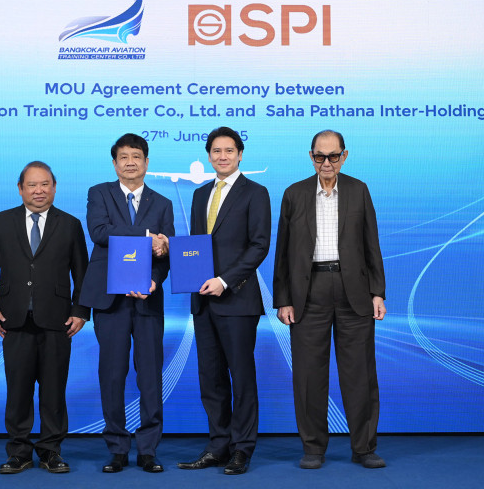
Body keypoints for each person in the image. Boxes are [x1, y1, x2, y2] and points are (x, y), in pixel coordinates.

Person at [273, 130, 387, 469]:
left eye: (333, 156)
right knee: (309, 375)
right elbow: (282, 253)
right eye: (320, 156)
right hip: (308, 293)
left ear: (344, 156)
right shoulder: (293, 194)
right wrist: (283, 299)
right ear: (311, 157)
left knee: (360, 373)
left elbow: (372, 244)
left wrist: (377, 292)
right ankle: (313, 448)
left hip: (355, 293)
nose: (327, 163)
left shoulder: (359, 190)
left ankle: (364, 447)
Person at [0, 161, 89, 474]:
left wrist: (81, 311)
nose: (39, 191)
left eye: (45, 184)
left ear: (54, 187)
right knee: (18, 391)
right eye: (32, 185)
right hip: (13, 319)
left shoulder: (70, 224)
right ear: (20, 189)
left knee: (54, 391)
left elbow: (82, 273)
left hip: (58, 321)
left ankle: (51, 451)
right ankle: (19, 452)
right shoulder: (1, 221)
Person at [79, 133, 174, 474]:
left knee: (150, 376)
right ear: (115, 163)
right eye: (124, 157)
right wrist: (149, 237)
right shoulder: (99, 193)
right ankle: (117, 448)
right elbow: (100, 232)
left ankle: (148, 449)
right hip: (110, 301)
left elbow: (165, 254)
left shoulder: (162, 203)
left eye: (136, 156)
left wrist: (155, 280)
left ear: (146, 162)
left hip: (147, 300)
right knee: (112, 374)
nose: (130, 162)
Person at [178, 126, 271, 475]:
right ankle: (218, 445)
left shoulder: (256, 193)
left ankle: (242, 448)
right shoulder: (200, 194)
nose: (222, 156)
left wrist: (225, 280)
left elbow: (259, 245)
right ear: (208, 155)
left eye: (229, 150)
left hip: (238, 300)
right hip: (203, 301)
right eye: (216, 151)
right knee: (211, 378)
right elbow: (196, 245)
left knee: (241, 377)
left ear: (240, 154)